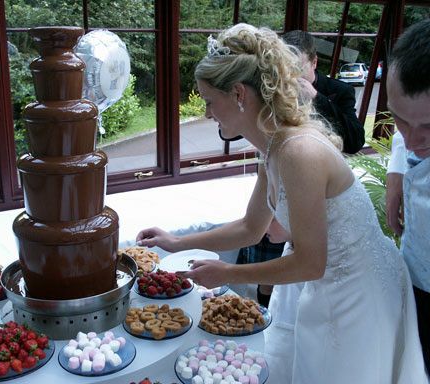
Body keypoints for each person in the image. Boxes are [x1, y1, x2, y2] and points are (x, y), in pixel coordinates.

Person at [136, 23, 427, 383]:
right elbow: (250, 228)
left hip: (358, 291)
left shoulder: (297, 151)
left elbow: (310, 261)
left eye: (210, 102)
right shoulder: (271, 147)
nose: (208, 113)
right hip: (324, 285)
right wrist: (176, 242)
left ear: (239, 93)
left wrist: (227, 273)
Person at [236, 29, 367, 307]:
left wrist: (317, 98)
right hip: (283, 188)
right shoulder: (274, 97)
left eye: (298, 68)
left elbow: (355, 141)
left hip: (323, 195)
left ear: (314, 62)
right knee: (272, 268)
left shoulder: (339, 92)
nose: (291, 77)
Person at [385, 18, 430, 372]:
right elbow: (406, 141)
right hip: (414, 277)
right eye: (399, 119)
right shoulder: (412, 135)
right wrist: (396, 173)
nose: (413, 140)